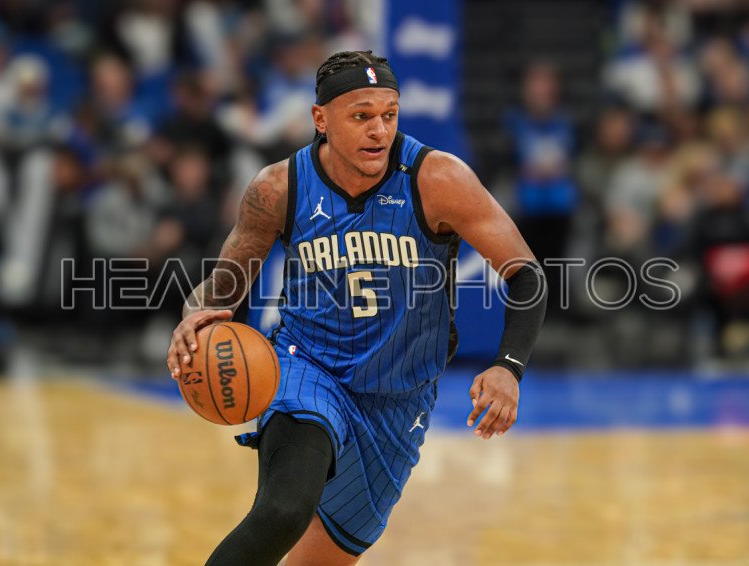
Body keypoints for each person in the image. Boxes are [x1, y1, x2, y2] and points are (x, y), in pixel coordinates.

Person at [166, 50, 547, 565]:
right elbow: (223, 286)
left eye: (389, 114)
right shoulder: (279, 187)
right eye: (361, 116)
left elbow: (527, 273)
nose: (379, 131)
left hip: (398, 397)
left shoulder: (438, 179)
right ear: (321, 119)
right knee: (283, 510)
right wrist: (193, 319)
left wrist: (508, 366)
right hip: (307, 367)